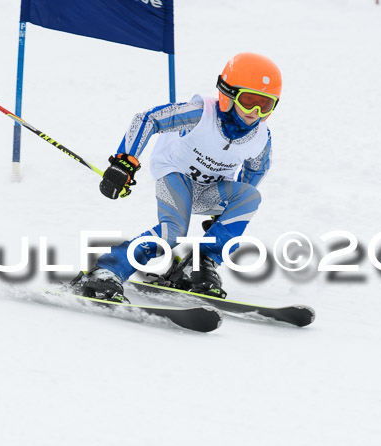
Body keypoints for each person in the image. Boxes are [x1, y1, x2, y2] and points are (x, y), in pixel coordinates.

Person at [73, 52, 282, 302]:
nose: (255, 111)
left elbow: (256, 169)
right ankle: (106, 271)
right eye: (248, 101)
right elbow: (147, 119)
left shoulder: (261, 137)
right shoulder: (200, 114)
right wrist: (124, 162)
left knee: (251, 196)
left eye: (265, 104)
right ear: (228, 94)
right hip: (176, 175)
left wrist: (225, 213)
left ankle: (197, 266)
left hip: (210, 190)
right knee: (172, 232)